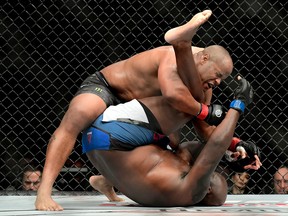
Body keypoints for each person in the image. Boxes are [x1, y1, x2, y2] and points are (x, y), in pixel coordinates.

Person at [36, 9, 234, 210]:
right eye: (217, 74)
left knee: (173, 141)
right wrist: (205, 112)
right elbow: (172, 96)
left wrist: (236, 146)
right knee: (78, 117)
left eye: (222, 79)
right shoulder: (171, 57)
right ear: (204, 58)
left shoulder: (204, 87)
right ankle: (44, 190)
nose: (218, 82)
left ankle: (110, 179)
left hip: (137, 111)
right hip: (109, 89)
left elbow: (205, 129)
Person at [85, 76, 260, 206]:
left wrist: (238, 104)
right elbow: (192, 149)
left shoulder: (191, 191)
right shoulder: (181, 174)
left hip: (110, 132)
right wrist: (233, 155)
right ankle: (107, 180)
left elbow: (214, 147)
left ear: (206, 190)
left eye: (211, 175)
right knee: (175, 144)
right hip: (99, 147)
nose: (211, 170)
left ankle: (173, 80)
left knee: (186, 108)